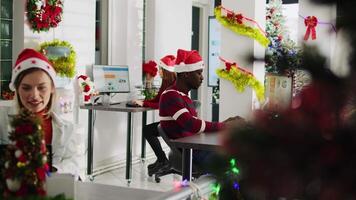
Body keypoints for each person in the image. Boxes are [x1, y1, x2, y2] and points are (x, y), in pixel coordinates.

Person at [0, 48, 82, 176]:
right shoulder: (1, 119)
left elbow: (74, 166)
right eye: (26, 88)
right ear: (16, 88)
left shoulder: (67, 129)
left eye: (41, 87)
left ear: (52, 88)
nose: (34, 95)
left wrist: (52, 170)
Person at [159, 49, 238, 167]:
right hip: (191, 154)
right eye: (199, 73)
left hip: (195, 150)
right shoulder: (171, 95)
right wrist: (225, 126)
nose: (202, 78)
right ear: (186, 74)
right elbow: (192, 125)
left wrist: (225, 123)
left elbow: (194, 127)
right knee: (241, 160)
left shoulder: (183, 96)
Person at [131, 55, 177, 175]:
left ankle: (163, 160)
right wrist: (142, 102)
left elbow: (161, 104)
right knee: (148, 130)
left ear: (166, 71)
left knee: (147, 130)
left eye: (161, 69)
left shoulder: (172, 86)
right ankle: (161, 160)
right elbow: (157, 100)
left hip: (174, 124)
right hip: (172, 122)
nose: (159, 71)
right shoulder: (166, 83)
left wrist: (143, 103)